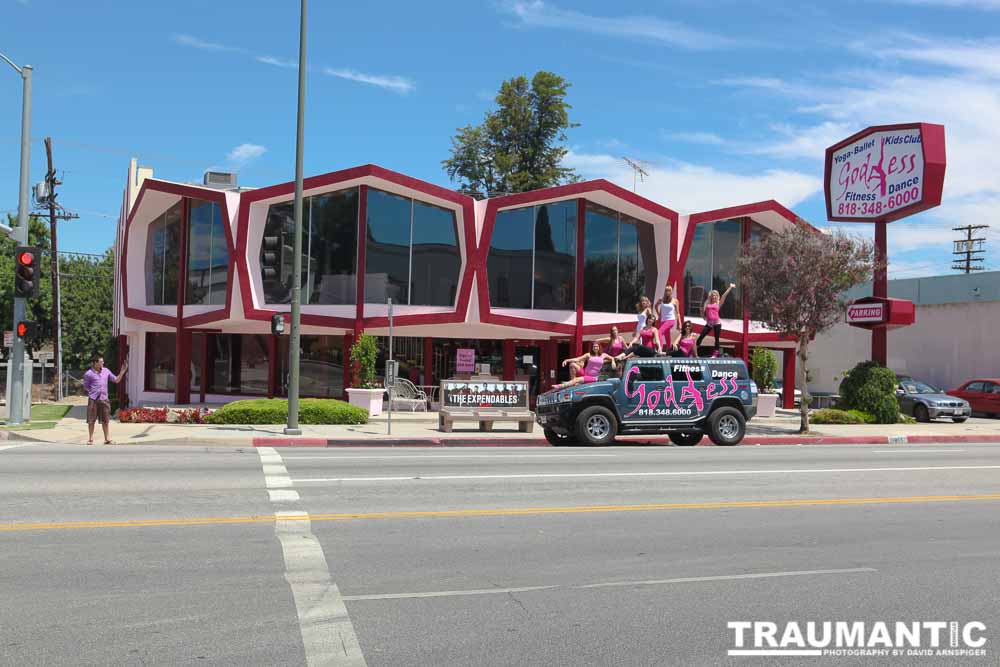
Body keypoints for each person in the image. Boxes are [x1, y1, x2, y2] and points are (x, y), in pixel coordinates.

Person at [82, 354, 128, 445]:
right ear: (95, 363)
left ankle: (107, 439)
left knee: (106, 420)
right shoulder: (88, 374)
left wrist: (122, 372)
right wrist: (93, 391)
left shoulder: (106, 371)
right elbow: (86, 387)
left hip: (104, 399)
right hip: (93, 399)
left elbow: (116, 380)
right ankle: (90, 439)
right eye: (101, 361)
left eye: (103, 361)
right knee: (91, 420)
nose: (103, 363)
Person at [696, 283, 735, 357]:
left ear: (717, 297)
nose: (714, 296)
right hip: (709, 323)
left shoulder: (718, 303)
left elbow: (724, 296)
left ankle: (715, 354)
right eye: (713, 295)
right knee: (701, 336)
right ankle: (694, 350)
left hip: (717, 323)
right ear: (711, 296)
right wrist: (703, 317)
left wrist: (730, 287)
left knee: (716, 338)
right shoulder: (707, 303)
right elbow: (703, 313)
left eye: (715, 295)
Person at [654, 285, 680, 349]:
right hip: (663, 320)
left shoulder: (675, 301)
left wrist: (680, 323)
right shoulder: (662, 299)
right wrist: (659, 314)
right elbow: (656, 306)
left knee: (659, 333)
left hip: (671, 320)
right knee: (667, 335)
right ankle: (669, 349)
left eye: (669, 290)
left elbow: (678, 313)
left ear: (671, 292)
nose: (667, 292)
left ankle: (660, 348)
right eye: (666, 290)